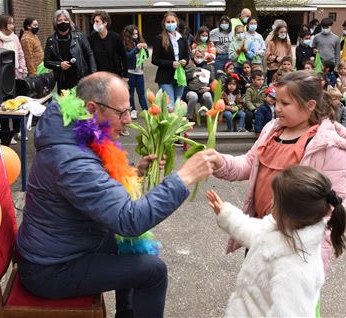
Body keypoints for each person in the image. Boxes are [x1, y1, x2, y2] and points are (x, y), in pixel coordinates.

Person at [16, 72, 218, 318]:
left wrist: (134, 172)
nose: (127, 121)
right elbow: (129, 220)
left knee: (134, 248)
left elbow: (98, 185)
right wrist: (184, 177)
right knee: (153, 271)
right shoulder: (70, 160)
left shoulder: (71, 132)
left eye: (128, 111)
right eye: (121, 112)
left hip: (65, 244)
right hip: (51, 269)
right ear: (92, 109)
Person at [210, 71, 346, 271]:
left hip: (293, 244)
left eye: (285, 104)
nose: (277, 108)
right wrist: (219, 161)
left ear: (310, 105)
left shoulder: (326, 145)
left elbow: (332, 206)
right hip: (259, 230)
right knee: (254, 289)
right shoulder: (272, 130)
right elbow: (248, 164)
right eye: (276, 101)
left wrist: (316, 263)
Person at [206, 165, 346, 317]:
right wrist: (227, 215)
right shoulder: (282, 228)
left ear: (290, 214)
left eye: (275, 201)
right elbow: (254, 232)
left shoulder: (295, 270)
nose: (271, 203)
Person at [0, 14, 28, 145]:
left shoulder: (15, 37)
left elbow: (20, 54)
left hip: (16, 75)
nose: (12, 26)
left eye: (13, 23)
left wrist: (23, 68)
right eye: (10, 23)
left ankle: (17, 131)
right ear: (2, 25)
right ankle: (6, 132)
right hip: (1, 79)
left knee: (16, 104)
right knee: (4, 106)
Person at [44, 9, 96, 92]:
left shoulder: (79, 37)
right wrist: (59, 65)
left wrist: (93, 74)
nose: (63, 22)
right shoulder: (51, 40)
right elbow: (46, 62)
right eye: (60, 20)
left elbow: (89, 54)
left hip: (80, 78)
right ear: (55, 23)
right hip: (63, 81)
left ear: (69, 21)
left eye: (65, 20)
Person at [152, 11, 190, 109]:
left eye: (172, 21)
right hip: (165, 77)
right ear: (164, 23)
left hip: (180, 76)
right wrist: (171, 64)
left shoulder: (183, 38)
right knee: (170, 107)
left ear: (177, 22)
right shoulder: (159, 38)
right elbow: (155, 60)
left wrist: (185, 62)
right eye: (168, 22)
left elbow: (187, 56)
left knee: (178, 106)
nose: (170, 24)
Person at [89, 11, 128, 80]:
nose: (95, 24)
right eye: (94, 21)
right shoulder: (92, 38)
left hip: (114, 75)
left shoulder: (115, 38)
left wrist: (125, 75)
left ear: (105, 23)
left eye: (97, 21)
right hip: (98, 76)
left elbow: (123, 57)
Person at [123, 25, 148, 120]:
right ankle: (133, 110)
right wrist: (136, 49)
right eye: (133, 34)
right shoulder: (125, 43)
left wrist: (145, 48)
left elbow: (146, 56)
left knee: (141, 93)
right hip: (130, 72)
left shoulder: (139, 41)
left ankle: (145, 110)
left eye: (137, 33)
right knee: (131, 93)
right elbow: (126, 56)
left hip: (140, 72)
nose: (135, 35)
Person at [185, 48, 214, 120]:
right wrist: (195, 74)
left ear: (204, 57)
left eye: (201, 57)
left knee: (207, 95)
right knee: (193, 96)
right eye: (197, 57)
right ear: (193, 56)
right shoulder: (189, 65)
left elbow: (212, 81)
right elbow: (184, 78)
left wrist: (209, 88)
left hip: (204, 91)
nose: (199, 58)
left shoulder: (209, 67)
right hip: (190, 90)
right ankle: (189, 117)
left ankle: (211, 115)